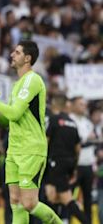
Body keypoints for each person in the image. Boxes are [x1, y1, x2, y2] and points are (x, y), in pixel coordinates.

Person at [0, 40, 62, 224]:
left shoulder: (33, 79)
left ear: (27, 58)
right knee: (15, 202)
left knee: (30, 203)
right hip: (14, 150)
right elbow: (7, 121)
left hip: (31, 149)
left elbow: (14, 113)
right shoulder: (17, 84)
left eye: (17, 52)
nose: (12, 55)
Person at [44, 94, 86, 223]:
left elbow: (45, 141)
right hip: (69, 163)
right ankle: (62, 220)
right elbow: (78, 148)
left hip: (55, 163)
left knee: (61, 197)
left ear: (54, 105)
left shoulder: (53, 119)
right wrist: (74, 167)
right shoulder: (73, 123)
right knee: (55, 197)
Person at [69, 96, 95, 224]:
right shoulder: (70, 121)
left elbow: (93, 140)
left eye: (84, 104)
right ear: (73, 105)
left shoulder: (88, 122)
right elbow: (74, 141)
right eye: (80, 104)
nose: (84, 107)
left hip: (88, 164)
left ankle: (88, 220)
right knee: (69, 197)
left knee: (88, 197)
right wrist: (86, 138)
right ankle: (66, 220)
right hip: (76, 166)